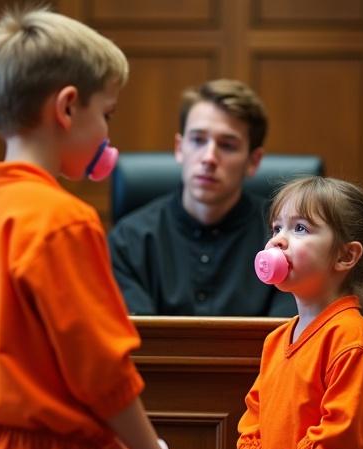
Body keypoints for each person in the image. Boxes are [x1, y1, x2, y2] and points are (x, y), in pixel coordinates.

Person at [0, 6, 175, 449]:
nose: (108, 134)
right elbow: (102, 374)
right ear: (67, 108)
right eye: (106, 114)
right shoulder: (64, 220)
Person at [225, 176, 363, 449]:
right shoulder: (276, 340)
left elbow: (340, 435)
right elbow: (255, 420)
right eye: (276, 227)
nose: (278, 240)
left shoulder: (351, 336)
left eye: (300, 229)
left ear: (346, 256)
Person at [108, 79, 297, 316]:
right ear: (179, 148)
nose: (208, 157)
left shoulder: (286, 243)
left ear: (253, 161)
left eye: (227, 145)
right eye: (198, 140)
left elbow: (291, 342)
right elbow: (140, 342)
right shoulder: (128, 241)